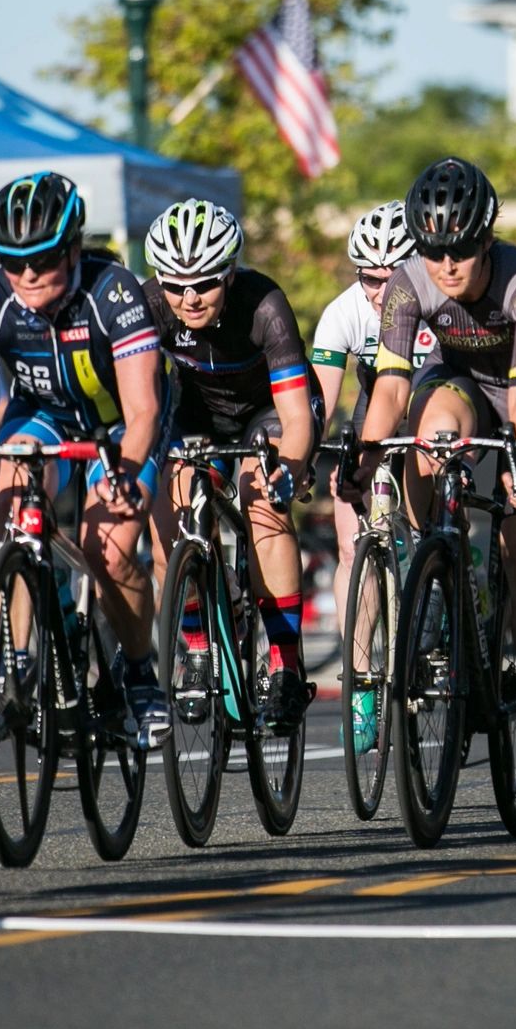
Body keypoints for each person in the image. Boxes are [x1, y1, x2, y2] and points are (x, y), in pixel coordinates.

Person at [349, 156, 516, 800]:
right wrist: (367, 454)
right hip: (460, 382)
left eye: (460, 251)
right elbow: (393, 383)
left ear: (486, 239)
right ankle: (437, 563)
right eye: (433, 252)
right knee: (427, 436)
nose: (447, 266)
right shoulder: (406, 283)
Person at [0, 171, 168, 743]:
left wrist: (125, 474)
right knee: (9, 507)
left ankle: (139, 674)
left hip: (118, 425)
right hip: (46, 416)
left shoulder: (114, 292)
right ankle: (17, 660)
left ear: (74, 248)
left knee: (105, 548)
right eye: (13, 260)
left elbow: (144, 411)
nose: (28, 274)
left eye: (45, 258)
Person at [142, 198, 321, 728]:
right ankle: (196, 647)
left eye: (205, 283)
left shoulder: (264, 304)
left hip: (268, 411)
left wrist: (287, 466)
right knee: (168, 507)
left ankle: (285, 664)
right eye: (175, 285)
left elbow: (295, 417)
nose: (189, 297)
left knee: (262, 499)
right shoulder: (149, 305)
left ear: (231, 272)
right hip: (198, 415)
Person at [308, 201, 431, 754]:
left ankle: (447, 580)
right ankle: (360, 687)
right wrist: (313, 452)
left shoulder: (438, 303)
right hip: (374, 412)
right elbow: (321, 401)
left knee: (431, 505)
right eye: (368, 277)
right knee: (351, 544)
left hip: (430, 407)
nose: (378, 291)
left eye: (391, 278)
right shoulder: (343, 311)